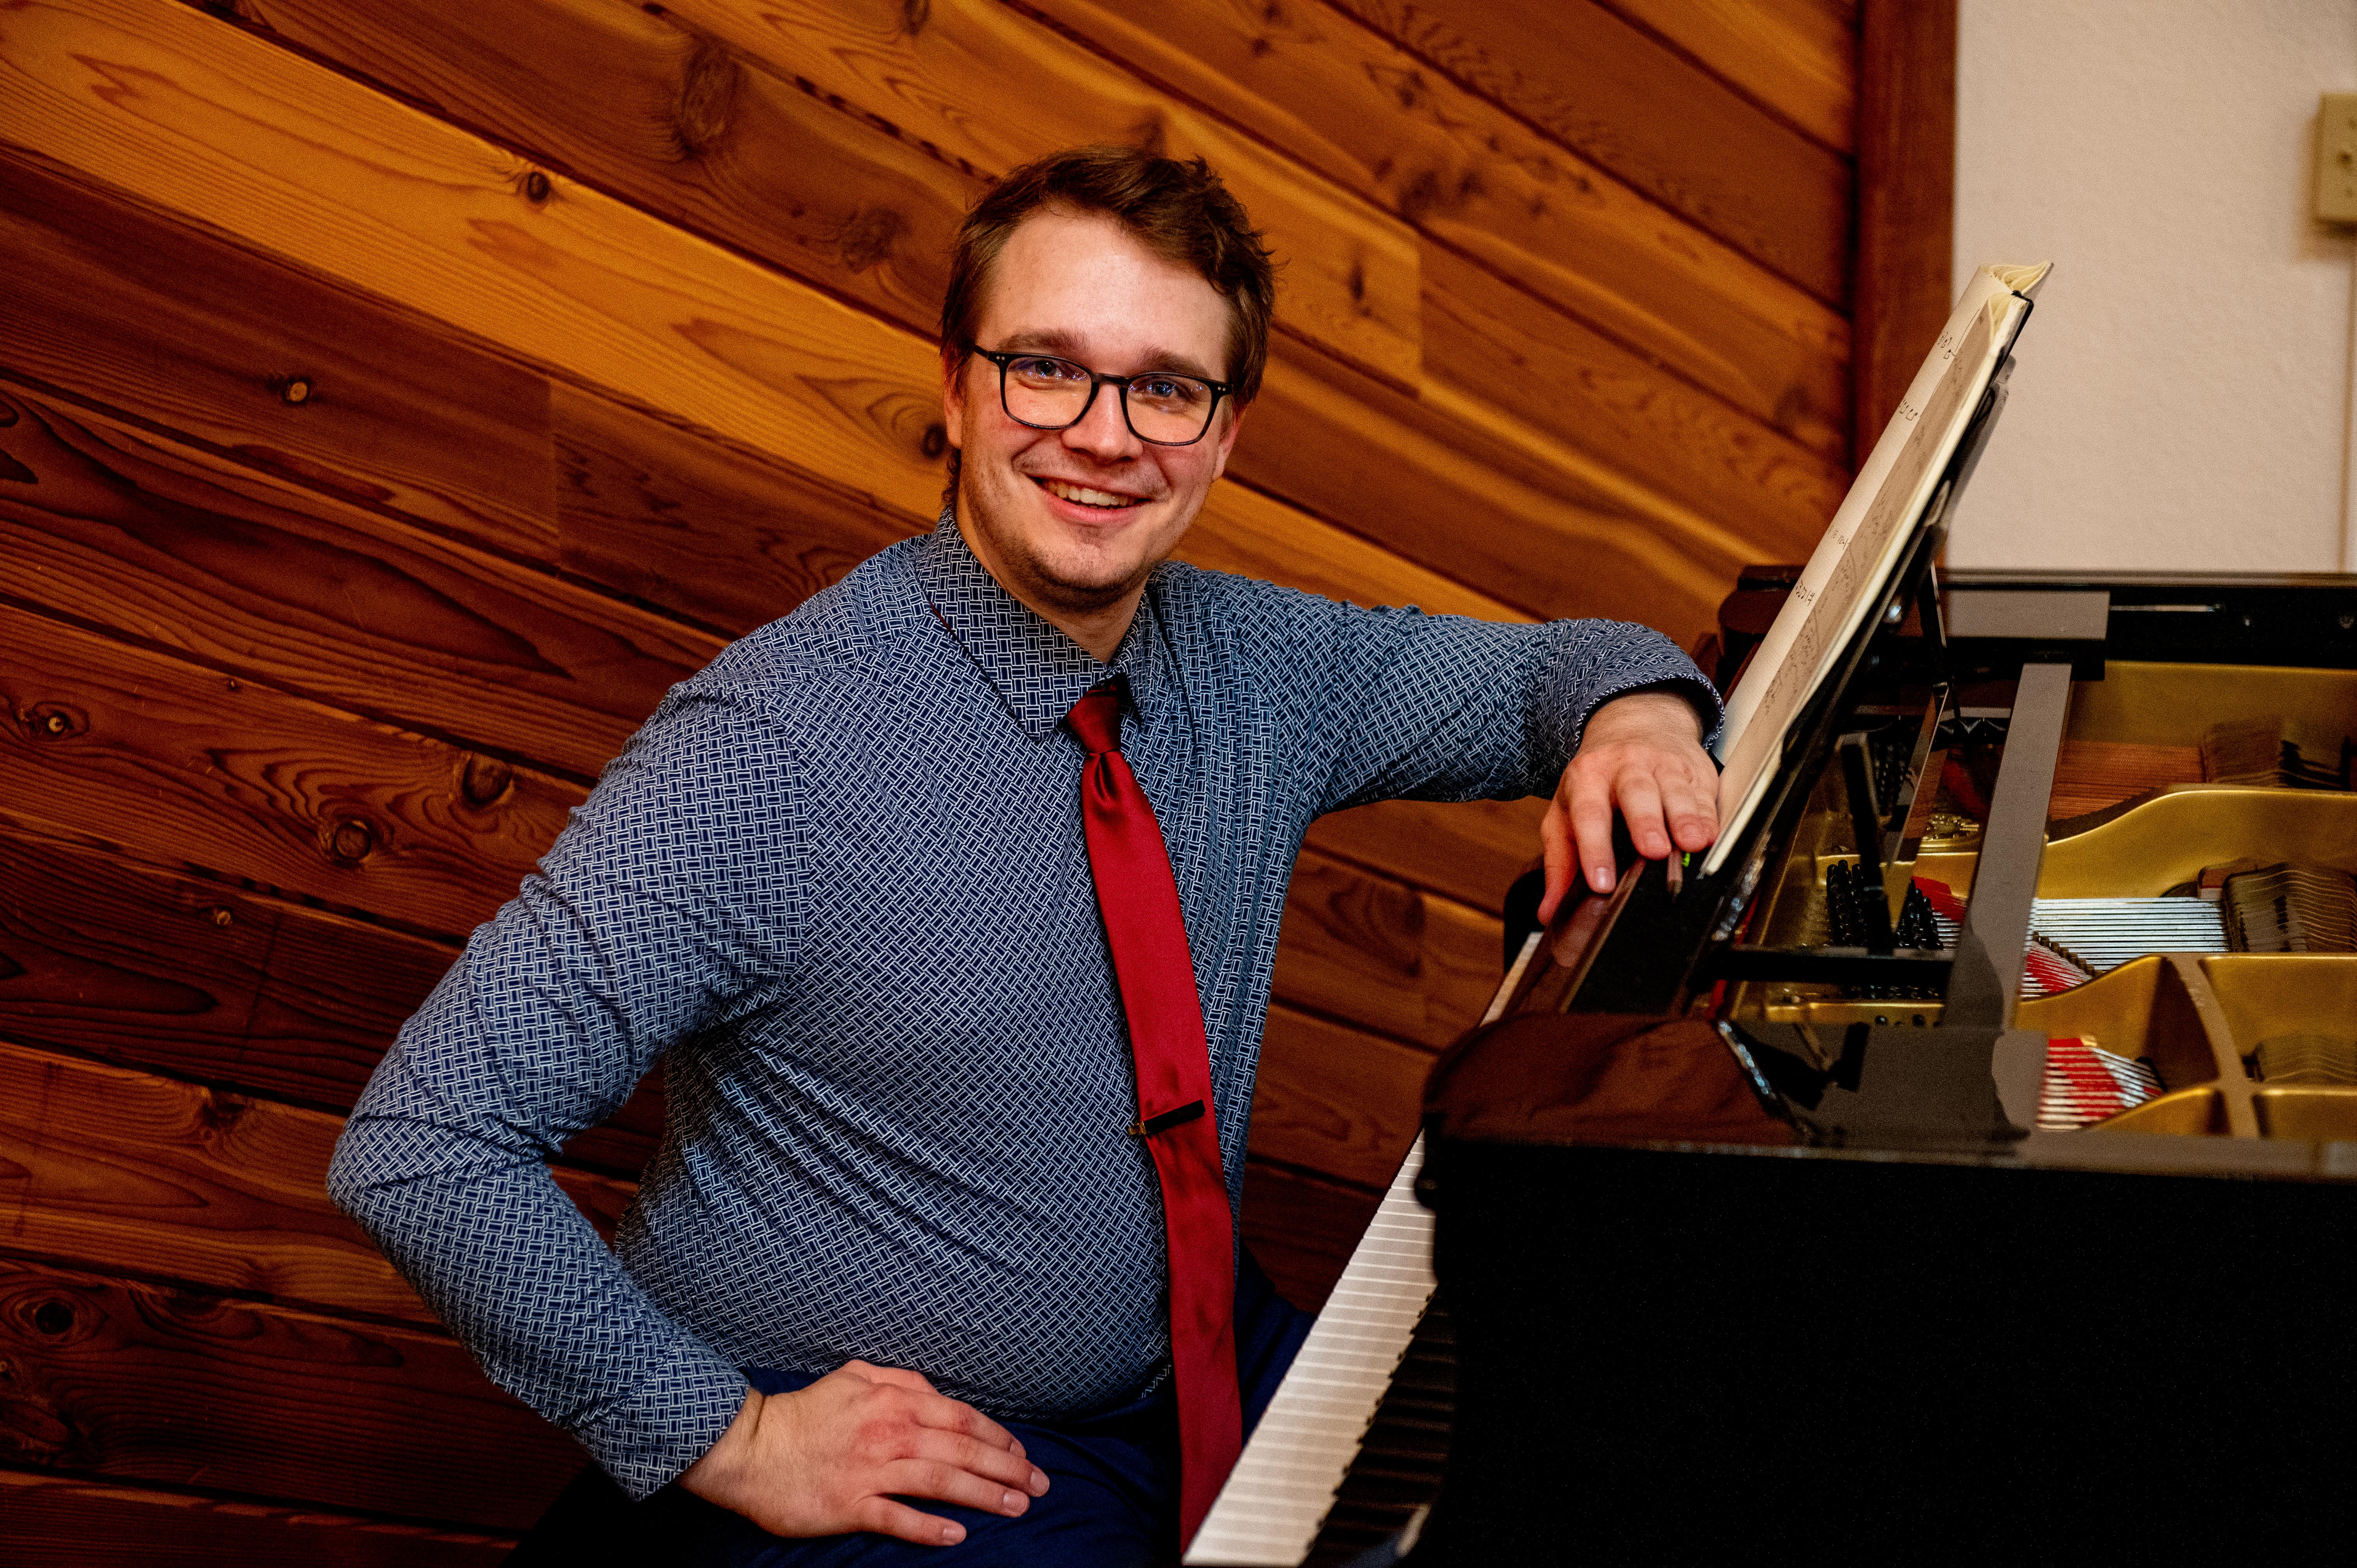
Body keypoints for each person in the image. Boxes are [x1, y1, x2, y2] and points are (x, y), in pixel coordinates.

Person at [329, 145, 1721, 1566]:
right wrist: (727, 1435)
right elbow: (423, 1147)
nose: (1106, 435)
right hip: (941, 1476)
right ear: (955, 387)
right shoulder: (766, 745)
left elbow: (1574, 669)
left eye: (1167, 388)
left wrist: (1644, 723)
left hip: (1193, 1358)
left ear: (1227, 433)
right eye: (1046, 367)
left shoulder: (1260, 665)